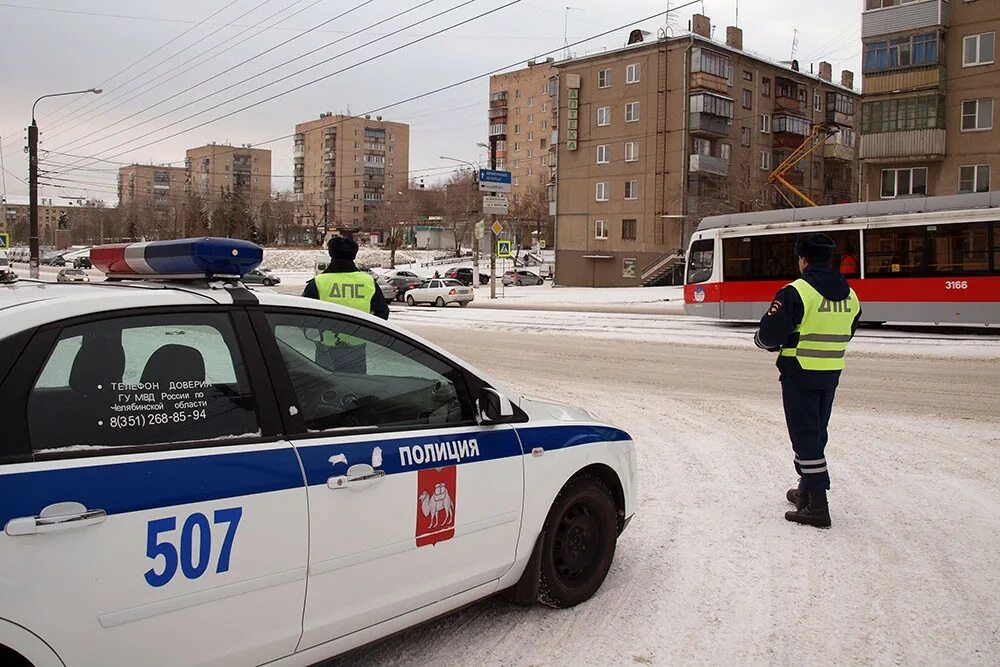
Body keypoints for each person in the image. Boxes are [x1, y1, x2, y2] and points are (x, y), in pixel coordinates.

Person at [754, 233, 862, 529]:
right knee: (816, 432)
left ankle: (818, 505)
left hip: (800, 371)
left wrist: (764, 341)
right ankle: (805, 489)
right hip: (831, 371)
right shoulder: (849, 293)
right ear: (829, 259)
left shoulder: (796, 291)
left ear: (803, 259)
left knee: (805, 436)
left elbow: (769, 335)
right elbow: (848, 331)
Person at [303, 236, 390, 320]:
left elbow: (304, 314)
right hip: (360, 334)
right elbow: (382, 313)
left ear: (331, 254)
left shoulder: (318, 282)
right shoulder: (368, 282)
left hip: (325, 334)